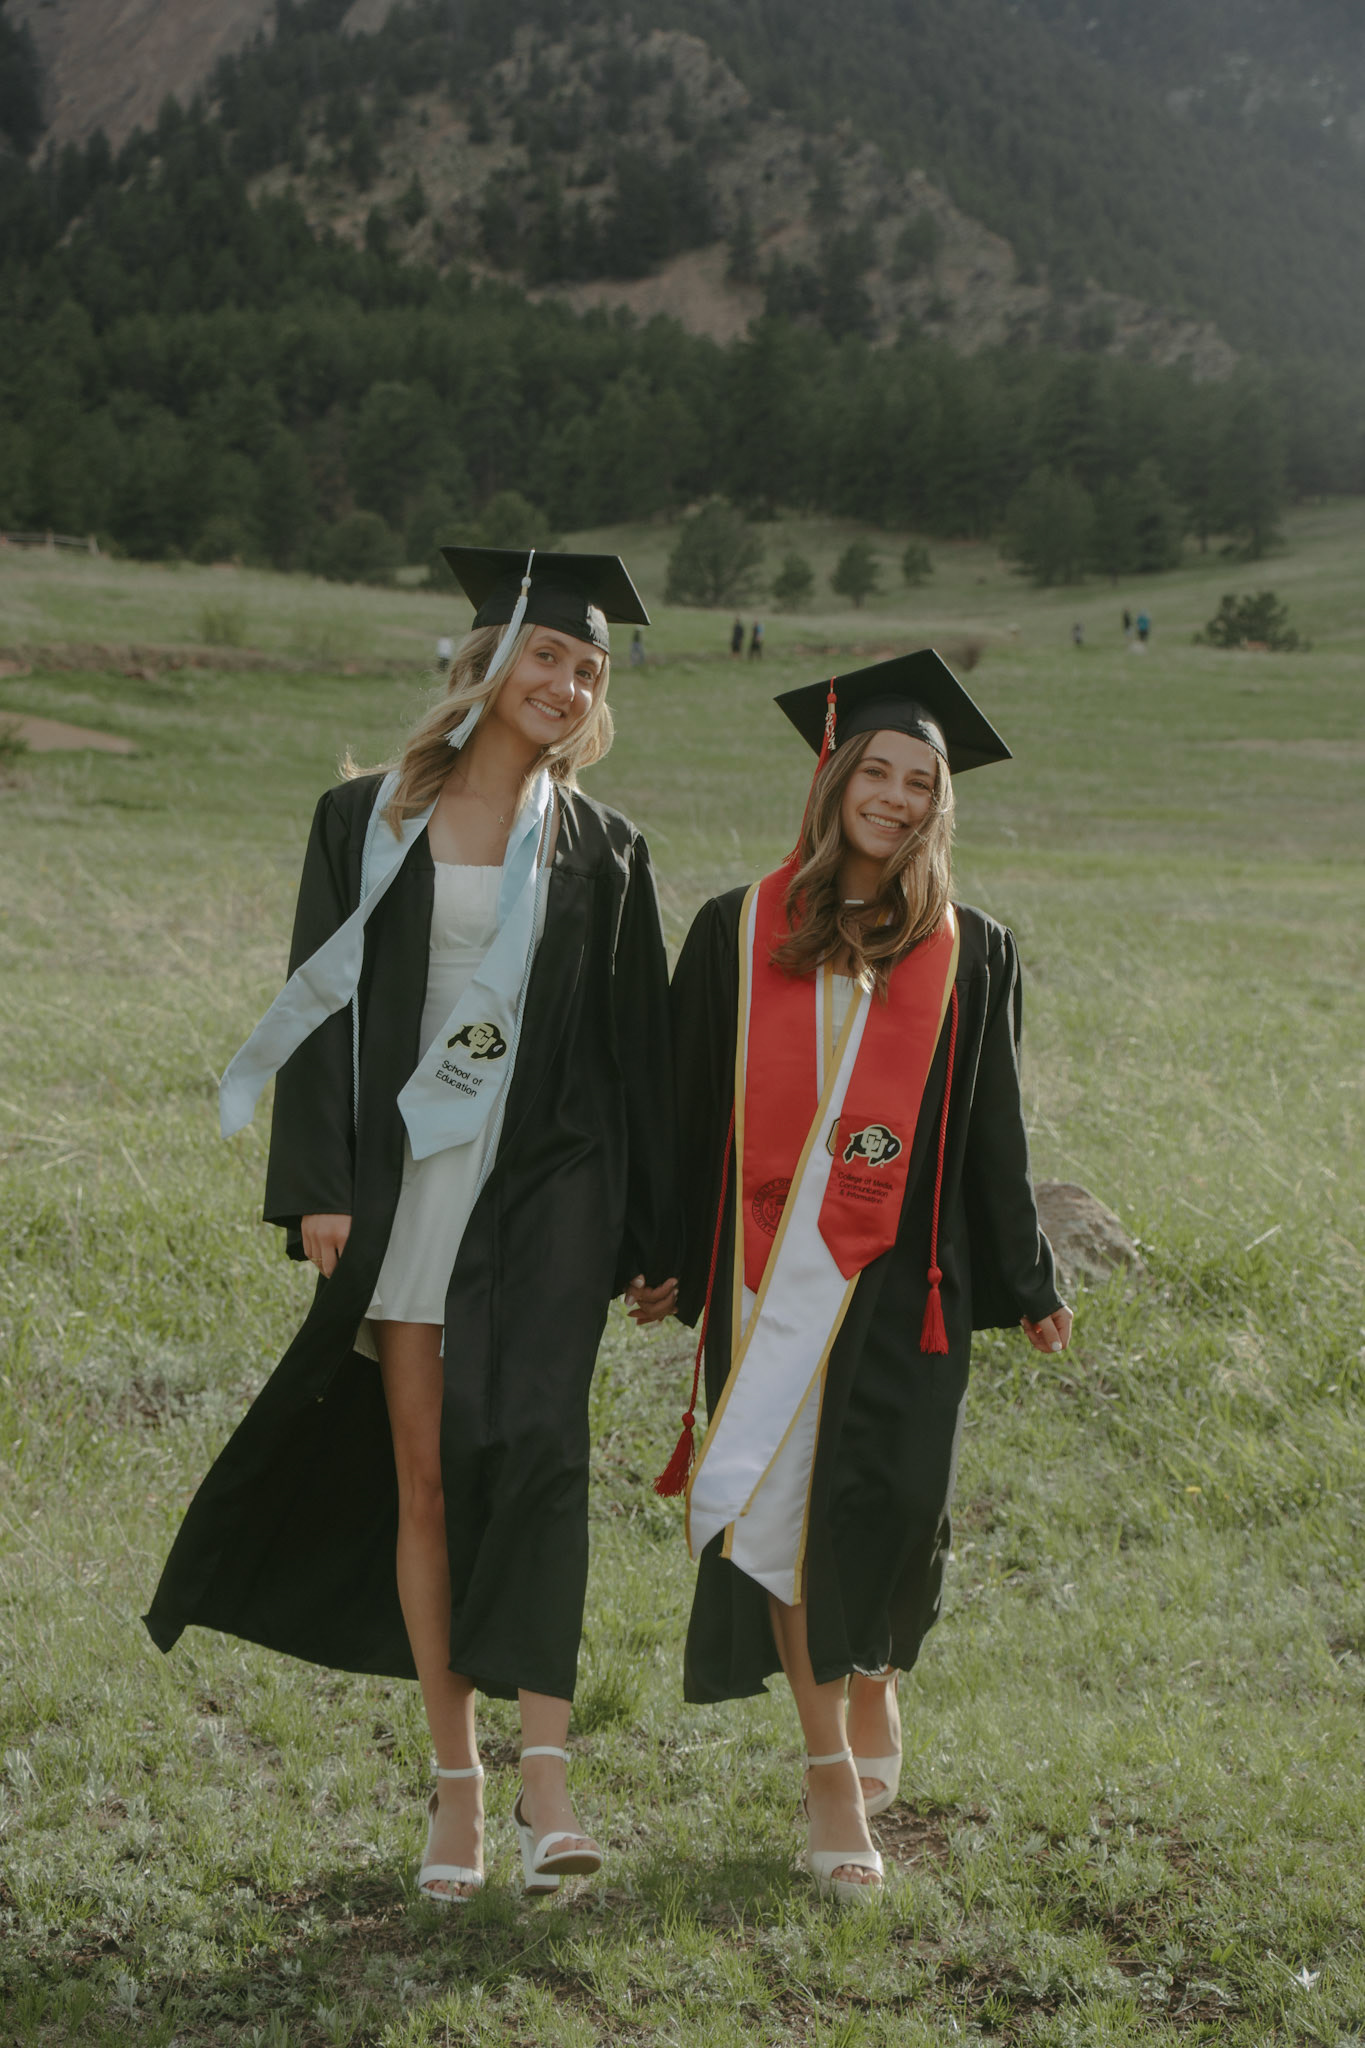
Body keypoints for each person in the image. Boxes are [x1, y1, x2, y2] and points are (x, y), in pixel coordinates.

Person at [146, 548, 679, 1906]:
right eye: (549, 657)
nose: (569, 685)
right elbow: (318, 997)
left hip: (550, 1182)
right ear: (487, 662)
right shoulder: (363, 819)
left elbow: (639, 1050)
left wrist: (653, 1231)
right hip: (405, 1177)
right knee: (426, 1473)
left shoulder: (603, 847)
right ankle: (459, 1784)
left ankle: (550, 1783)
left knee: (541, 1451)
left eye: (589, 671)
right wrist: (318, 1181)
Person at [660, 650, 1070, 1902]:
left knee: (895, 1503)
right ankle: (827, 1769)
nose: (895, 796)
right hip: (766, 1282)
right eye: (877, 771)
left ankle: (880, 1667)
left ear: (941, 802)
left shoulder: (971, 949)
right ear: (836, 777)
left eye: (920, 780)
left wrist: (1030, 1275)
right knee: (789, 1518)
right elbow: (686, 1112)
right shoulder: (738, 931)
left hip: (909, 1283)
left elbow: (995, 1127)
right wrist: (663, 1256)